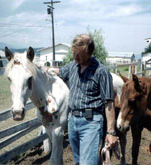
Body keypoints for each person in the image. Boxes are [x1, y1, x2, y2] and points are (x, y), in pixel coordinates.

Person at [55, 34, 118, 165]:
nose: (75, 57)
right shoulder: (73, 66)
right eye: (74, 53)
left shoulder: (101, 71)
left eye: (78, 54)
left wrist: (111, 132)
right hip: (72, 122)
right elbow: (58, 72)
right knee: (78, 162)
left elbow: (109, 103)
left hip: (91, 123)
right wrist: (38, 69)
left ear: (89, 53)